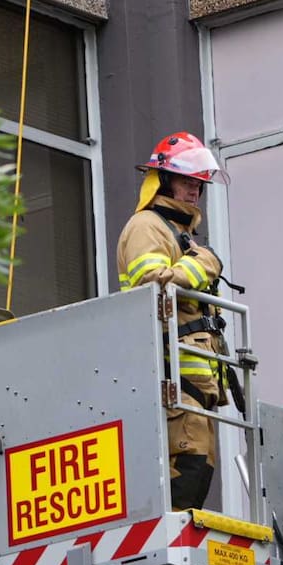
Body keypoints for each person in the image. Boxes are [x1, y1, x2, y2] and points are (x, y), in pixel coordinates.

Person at [116, 132, 230, 510]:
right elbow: (153, 284)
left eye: (199, 182)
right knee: (187, 470)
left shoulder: (181, 233)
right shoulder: (147, 226)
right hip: (171, 378)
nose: (194, 188)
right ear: (163, 180)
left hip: (194, 385)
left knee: (199, 472)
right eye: (186, 180)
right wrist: (203, 263)